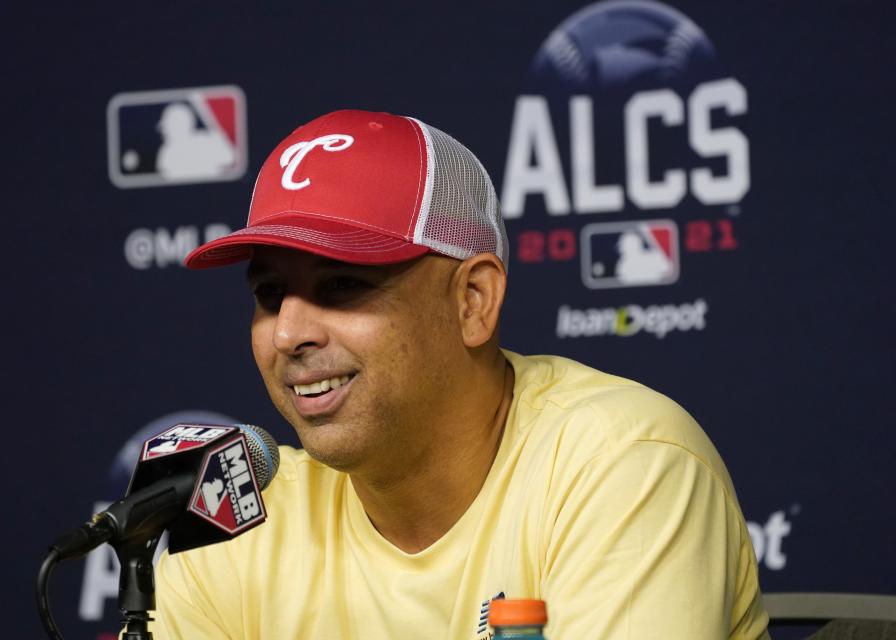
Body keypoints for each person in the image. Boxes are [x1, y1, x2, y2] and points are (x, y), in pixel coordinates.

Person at [153, 109, 770, 639]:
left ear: (472, 300)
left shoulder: (623, 462)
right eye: (268, 293)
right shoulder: (232, 518)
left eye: (343, 286)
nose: (288, 335)